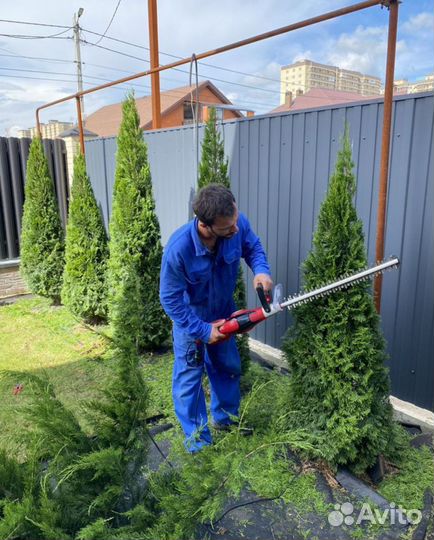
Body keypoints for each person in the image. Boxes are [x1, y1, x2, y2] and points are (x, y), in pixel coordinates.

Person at [159, 184, 273, 452]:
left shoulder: (236, 223)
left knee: (227, 367)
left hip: (223, 310)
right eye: (227, 228)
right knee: (189, 381)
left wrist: (261, 271)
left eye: (235, 221)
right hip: (191, 320)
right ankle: (199, 442)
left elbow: (252, 246)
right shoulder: (179, 249)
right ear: (205, 225)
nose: (235, 229)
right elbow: (170, 299)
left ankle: (226, 419)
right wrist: (201, 330)